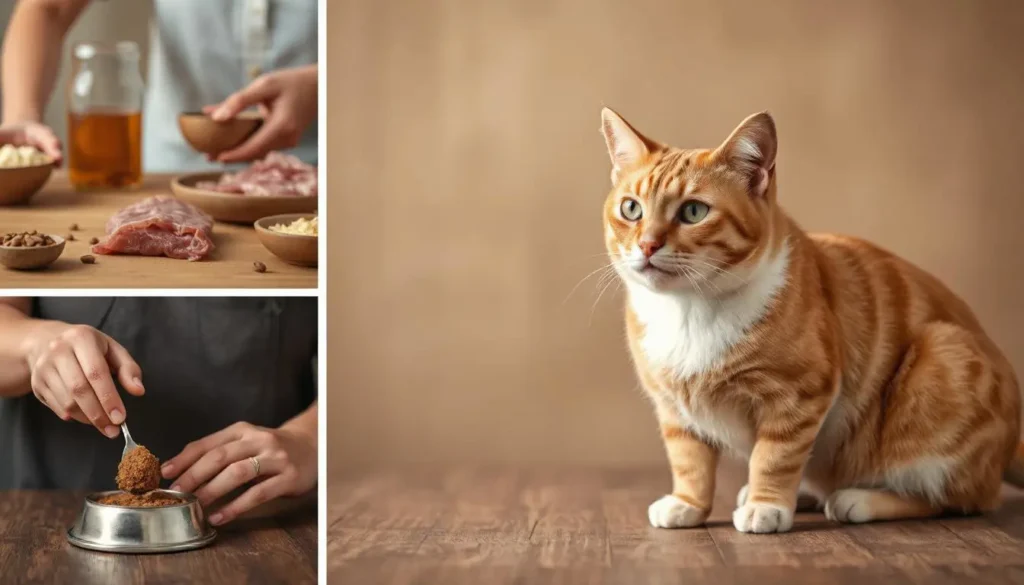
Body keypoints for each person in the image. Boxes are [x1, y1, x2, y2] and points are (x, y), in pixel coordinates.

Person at [0, 297, 318, 527]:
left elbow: (358, 356)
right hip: (44, 518)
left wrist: (310, 437)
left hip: (259, 523)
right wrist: (33, 343)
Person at [0, 0, 317, 172]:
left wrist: (322, 84)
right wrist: (21, 115)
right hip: (171, 175)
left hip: (326, 174)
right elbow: (46, 9)